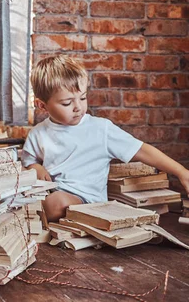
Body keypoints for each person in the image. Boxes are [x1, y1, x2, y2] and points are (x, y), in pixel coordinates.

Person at [22, 55, 189, 222]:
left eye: (83, 98)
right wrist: (36, 167)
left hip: (87, 201)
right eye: (67, 103)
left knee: (54, 203)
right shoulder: (38, 133)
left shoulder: (101, 129)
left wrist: (181, 172)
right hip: (48, 194)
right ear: (42, 105)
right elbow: (28, 161)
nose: (78, 107)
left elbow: (142, 150)